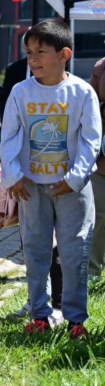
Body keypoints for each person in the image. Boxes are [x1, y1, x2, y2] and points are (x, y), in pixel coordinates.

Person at [0, 19, 101, 339]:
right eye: (29, 52)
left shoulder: (82, 92)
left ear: (64, 54)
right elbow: (10, 136)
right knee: (35, 250)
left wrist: (74, 178)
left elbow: (91, 139)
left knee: (75, 252)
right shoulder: (20, 91)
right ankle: (40, 314)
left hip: (73, 189)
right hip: (31, 188)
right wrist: (14, 175)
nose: (33, 59)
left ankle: (76, 320)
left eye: (41, 52)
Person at [88, 56, 105, 278]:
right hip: (101, 160)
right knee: (98, 215)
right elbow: (90, 104)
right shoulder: (101, 66)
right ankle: (92, 272)